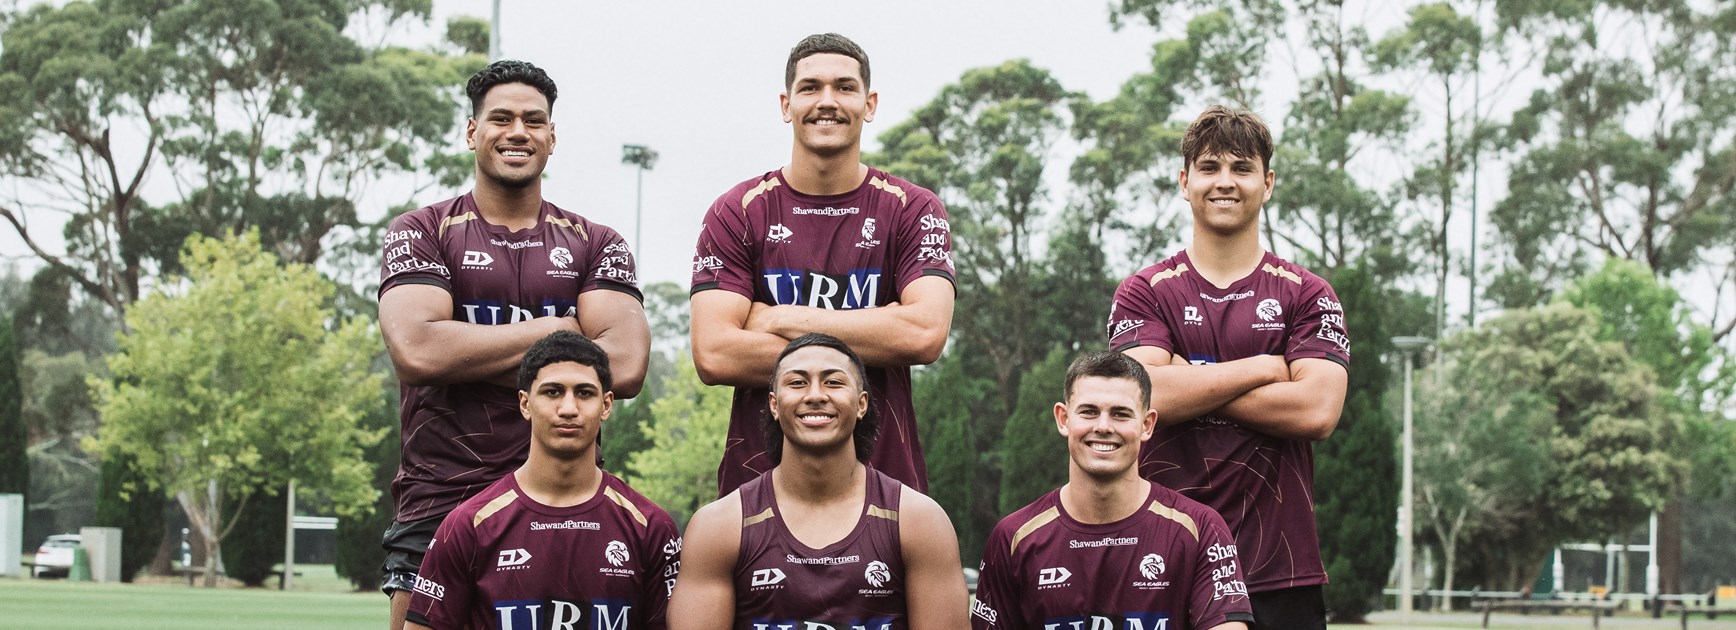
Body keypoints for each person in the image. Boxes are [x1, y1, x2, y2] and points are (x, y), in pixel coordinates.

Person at [378, 59, 651, 630]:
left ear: (553, 136)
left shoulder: (597, 243)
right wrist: (560, 335)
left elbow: (623, 368)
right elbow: (420, 353)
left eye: (534, 120)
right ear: (472, 131)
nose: (518, 132)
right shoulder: (422, 230)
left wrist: (468, 354)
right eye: (500, 118)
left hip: (565, 500)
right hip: (439, 494)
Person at [1105, 105, 1350, 630]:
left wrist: (1182, 374)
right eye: (1210, 167)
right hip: (1163, 563)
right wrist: (1265, 367)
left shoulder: (1308, 294)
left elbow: (1317, 410)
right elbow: (1144, 401)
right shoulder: (1144, 292)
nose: (1225, 182)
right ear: (1184, 180)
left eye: (1242, 168)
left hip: (1279, 570)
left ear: (1268, 182)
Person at [689, 33, 956, 497]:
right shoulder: (738, 211)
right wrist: (879, 327)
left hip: (885, 486)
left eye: (844, 87)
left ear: (869, 104)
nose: (827, 102)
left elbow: (924, 334)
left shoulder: (912, 208)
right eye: (811, 87)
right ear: (786, 103)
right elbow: (714, 353)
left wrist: (778, 317)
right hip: (758, 486)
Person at [668, 333, 968, 630]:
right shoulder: (719, 526)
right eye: (797, 382)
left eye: (834, 382)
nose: (815, 395)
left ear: (862, 404)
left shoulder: (920, 522)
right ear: (774, 404)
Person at [406, 331, 679, 630]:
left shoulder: (651, 527)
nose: (568, 408)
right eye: (553, 392)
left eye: (585, 393)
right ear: (525, 403)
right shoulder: (468, 526)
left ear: (606, 405)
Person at [972, 351, 1253, 630]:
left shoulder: (1200, 527)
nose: (1104, 427)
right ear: (1063, 419)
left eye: (1120, 414)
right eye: (1089, 412)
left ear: (1147, 425)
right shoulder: (1013, 537)